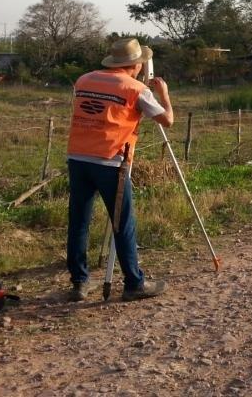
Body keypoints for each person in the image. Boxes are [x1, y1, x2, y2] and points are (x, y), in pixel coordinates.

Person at [66, 38, 174, 302]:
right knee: (122, 223)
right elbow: (168, 120)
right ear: (136, 65)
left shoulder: (84, 80)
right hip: (111, 161)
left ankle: (79, 283)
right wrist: (164, 95)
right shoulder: (135, 89)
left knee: (79, 221)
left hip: (78, 157)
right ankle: (134, 283)